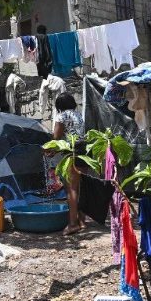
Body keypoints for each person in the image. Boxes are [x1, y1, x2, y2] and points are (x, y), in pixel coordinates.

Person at [51, 92, 86, 235]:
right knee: (81, 188)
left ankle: (72, 224)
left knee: (71, 189)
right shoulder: (78, 115)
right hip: (84, 152)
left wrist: (50, 149)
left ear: (59, 106)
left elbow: (56, 137)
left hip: (71, 153)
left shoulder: (61, 116)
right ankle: (82, 221)